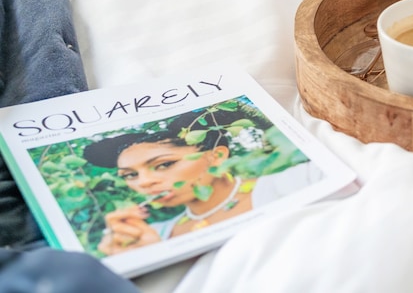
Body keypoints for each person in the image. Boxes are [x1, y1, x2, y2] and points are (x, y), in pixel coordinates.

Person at [82, 108, 317, 255]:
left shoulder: (301, 181)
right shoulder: (154, 235)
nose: (144, 182)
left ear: (216, 156)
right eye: (130, 175)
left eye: (164, 164)